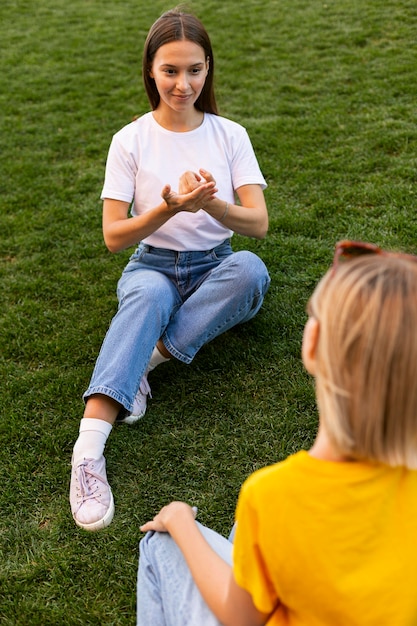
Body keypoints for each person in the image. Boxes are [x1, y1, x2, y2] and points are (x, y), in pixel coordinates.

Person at [137, 240, 417, 626]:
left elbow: (241, 618)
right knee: (242, 531)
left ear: (313, 345)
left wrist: (180, 521)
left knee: (161, 542)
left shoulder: (274, 495)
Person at [69, 7, 270, 531]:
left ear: (208, 69)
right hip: (151, 265)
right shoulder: (129, 139)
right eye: (171, 71)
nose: (184, 84)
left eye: (195, 70)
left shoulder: (230, 134)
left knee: (251, 271)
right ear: (151, 71)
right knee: (151, 298)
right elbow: (114, 237)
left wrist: (211, 207)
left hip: (214, 266)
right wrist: (169, 209)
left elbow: (258, 224)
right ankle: (87, 454)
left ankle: (146, 361)